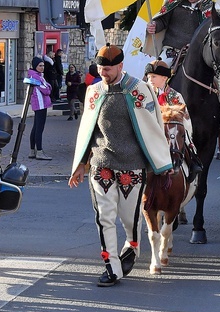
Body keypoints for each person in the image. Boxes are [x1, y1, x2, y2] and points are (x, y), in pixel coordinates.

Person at [69, 44, 172, 287]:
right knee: (104, 217)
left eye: (108, 69)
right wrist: (81, 164)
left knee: (130, 218)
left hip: (132, 166)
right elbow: (87, 129)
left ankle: (132, 245)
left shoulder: (139, 90)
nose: (104, 73)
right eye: (101, 69)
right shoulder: (93, 92)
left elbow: (153, 126)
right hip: (101, 164)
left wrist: (159, 162)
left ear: (120, 66)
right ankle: (111, 266)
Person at [144, 59, 202, 183]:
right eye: (148, 77)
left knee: (185, 145)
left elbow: (185, 119)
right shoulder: (142, 95)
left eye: (154, 76)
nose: (150, 80)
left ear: (164, 78)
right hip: (149, 133)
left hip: (171, 134)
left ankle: (193, 166)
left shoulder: (175, 96)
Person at [145, 0, 215, 66]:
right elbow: (162, 20)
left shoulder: (212, 8)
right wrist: (155, 26)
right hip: (170, 51)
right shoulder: (175, 1)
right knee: (156, 73)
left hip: (197, 54)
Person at [27, 57, 52, 160]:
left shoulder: (36, 75)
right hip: (40, 104)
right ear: (35, 66)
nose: (42, 68)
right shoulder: (35, 77)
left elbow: (47, 86)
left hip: (40, 104)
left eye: (43, 65)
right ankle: (39, 152)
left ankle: (33, 151)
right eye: (40, 66)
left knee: (36, 127)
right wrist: (48, 87)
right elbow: (46, 90)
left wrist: (47, 86)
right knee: (39, 128)